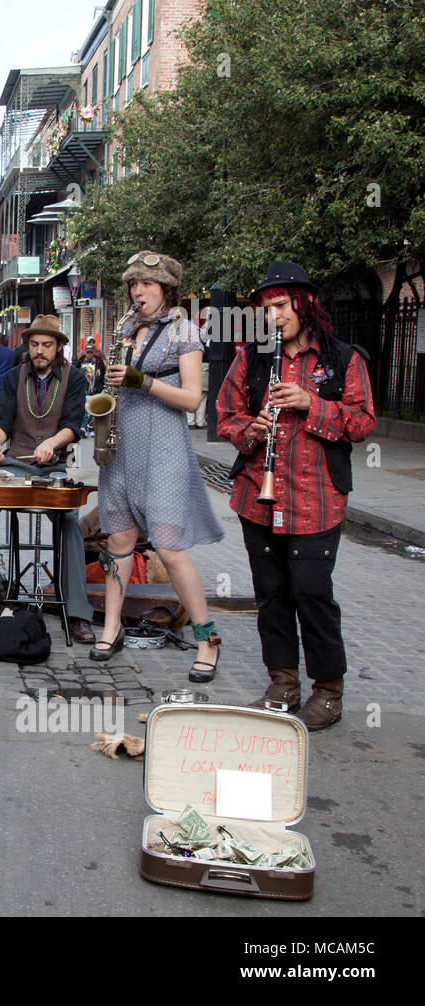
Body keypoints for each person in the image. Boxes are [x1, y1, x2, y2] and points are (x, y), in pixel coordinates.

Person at [216, 261, 375, 729]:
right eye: (267, 309)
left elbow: (362, 421)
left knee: (312, 593)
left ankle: (328, 691)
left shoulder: (344, 358)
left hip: (316, 498)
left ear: (304, 303)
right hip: (256, 497)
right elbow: (225, 416)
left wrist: (313, 405)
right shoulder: (253, 358)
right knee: (271, 594)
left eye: (281, 306)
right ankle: (283, 681)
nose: (273, 317)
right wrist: (252, 429)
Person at [92, 250, 224, 680]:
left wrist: (141, 380)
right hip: (122, 445)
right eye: (133, 284)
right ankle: (111, 628)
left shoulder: (184, 331)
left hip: (164, 446)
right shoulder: (127, 327)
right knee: (119, 541)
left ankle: (207, 640)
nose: (137, 291)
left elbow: (191, 398)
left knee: (168, 546)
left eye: (146, 285)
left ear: (166, 289)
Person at [0, 315, 95, 642]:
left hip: (56, 464)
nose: (39, 351)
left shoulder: (74, 378)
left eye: (46, 345)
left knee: (69, 522)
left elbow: (74, 424)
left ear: (59, 346)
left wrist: (52, 443)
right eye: (34, 345)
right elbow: (1, 420)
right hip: (17, 462)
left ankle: (76, 613)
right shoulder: (15, 376)